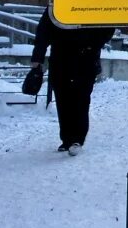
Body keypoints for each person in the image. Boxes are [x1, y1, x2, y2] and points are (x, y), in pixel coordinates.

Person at [30, 8, 115, 155]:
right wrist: (37, 58)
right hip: (61, 60)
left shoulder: (92, 2)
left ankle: (77, 139)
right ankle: (67, 138)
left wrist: (92, 44)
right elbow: (43, 32)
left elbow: (107, 26)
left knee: (81, 99)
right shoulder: (57, 4)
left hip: (85, 59)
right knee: (63, 99)